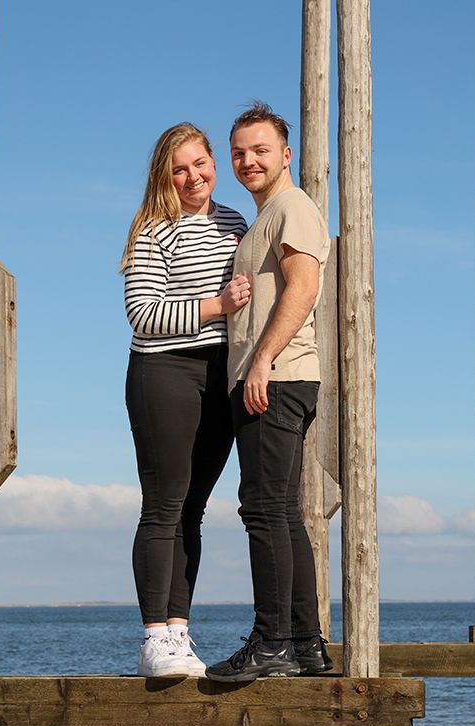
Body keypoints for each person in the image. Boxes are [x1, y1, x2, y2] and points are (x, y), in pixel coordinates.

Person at [206, 102, 332, 682]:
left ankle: (273, 641)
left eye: (260, 150)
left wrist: (261, 361)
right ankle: (305, 643)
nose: (248, 160)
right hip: (273, 376)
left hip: (276, 378)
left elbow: (303, 289)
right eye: (239, 152)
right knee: (280, 511)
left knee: (263, 510)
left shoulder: (293, 207)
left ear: (286, 155)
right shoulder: (264, 219)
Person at [121, 122, 252, 677]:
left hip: (221, 373)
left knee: (193, 510)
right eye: (180, 168)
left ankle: (180, 632)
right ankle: (154, 637)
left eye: (201, 163)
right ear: (164, 175)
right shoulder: (154, 228)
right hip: (164, 370)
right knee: (164, 504)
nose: (194, 176)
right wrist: (216, 305)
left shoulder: (235, 222)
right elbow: (143, 316)